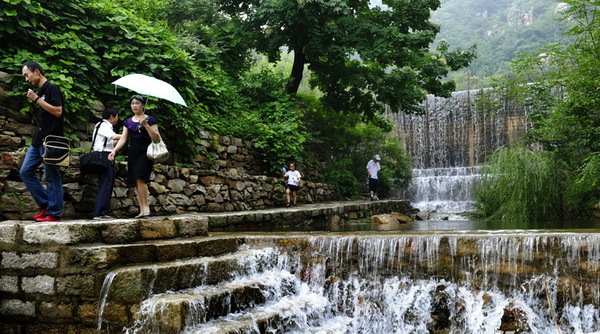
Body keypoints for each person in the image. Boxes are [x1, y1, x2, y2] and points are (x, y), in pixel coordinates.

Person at [19, 61, 65, 222]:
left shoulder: (52, 88)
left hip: (51, 140)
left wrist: (36, 99)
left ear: (37, 71)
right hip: (38, 140)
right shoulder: (42, 91)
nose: (26, 79)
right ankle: (46, 205)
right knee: (25, 172)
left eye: (27, 74)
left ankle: (54, 213)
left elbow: (58, 111)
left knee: (52, 176)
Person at [108, 95, 160, 219]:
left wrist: (146, 125)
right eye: (132, 103)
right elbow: (124, 139)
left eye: (137, 103)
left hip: (146, 152)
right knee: (136, 181)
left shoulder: (151, 120)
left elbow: (156, 137)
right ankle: (141, 210)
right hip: (133, 153)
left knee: (141, 178)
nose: (134, 105)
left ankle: (146, 208)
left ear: (142, 105)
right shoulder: (128, 122)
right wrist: (114, 151)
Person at [92, 108, 122, 220]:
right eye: (116, 116)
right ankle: (100, 213)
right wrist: (127, 135)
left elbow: (111, 142)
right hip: (105, 157)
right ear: (111, 116)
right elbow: (114, 137)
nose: (117, 119)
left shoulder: (102, 126)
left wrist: (120, 141)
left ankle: (101, 212)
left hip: (103, 155)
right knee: (106, 183)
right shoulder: (104, 126)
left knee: (106, 183)